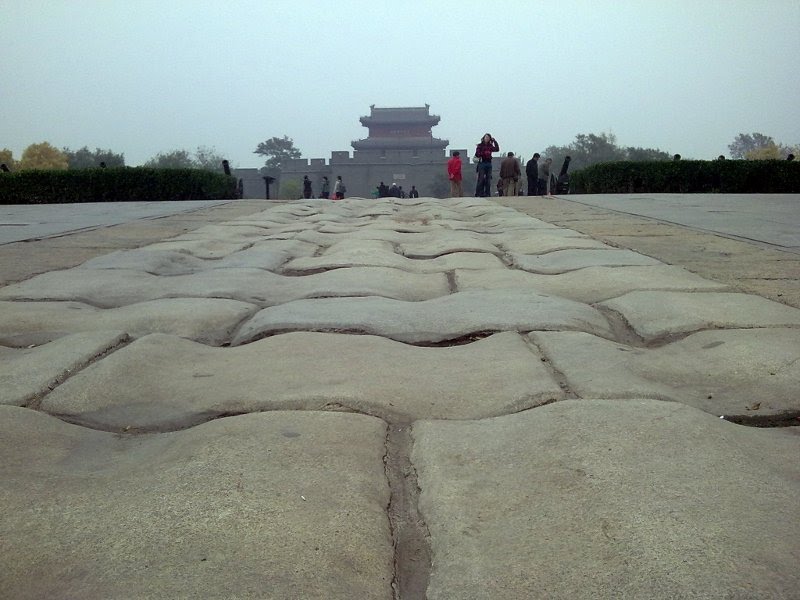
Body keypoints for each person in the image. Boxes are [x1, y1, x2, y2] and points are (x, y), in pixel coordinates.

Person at [474, 133, 499, 197]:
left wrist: (495, 141)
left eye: (488, 137)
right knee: (481, 178)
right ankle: (479, 193)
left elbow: (497, 149)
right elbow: (477, 154)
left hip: (488, 163)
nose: (487, 138)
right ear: (483, 138)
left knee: (488, 179)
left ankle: (487, 193)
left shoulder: (490, 146)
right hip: (482, 163)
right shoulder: (480, 145)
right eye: (486, 137)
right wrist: (484, 153)